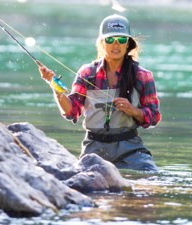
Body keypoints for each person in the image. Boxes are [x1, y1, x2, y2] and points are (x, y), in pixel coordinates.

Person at [38, 14, 161, 172]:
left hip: (130, 149)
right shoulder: (87, 72)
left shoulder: (143, 76)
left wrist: (134, 111)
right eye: (110, 40)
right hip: (94, 149)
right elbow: (72, 112)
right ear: (102, 43)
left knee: (150, 176)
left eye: (121, 40)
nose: (116, 44)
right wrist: (55, 86)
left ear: (128, 44)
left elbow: (154, 117)